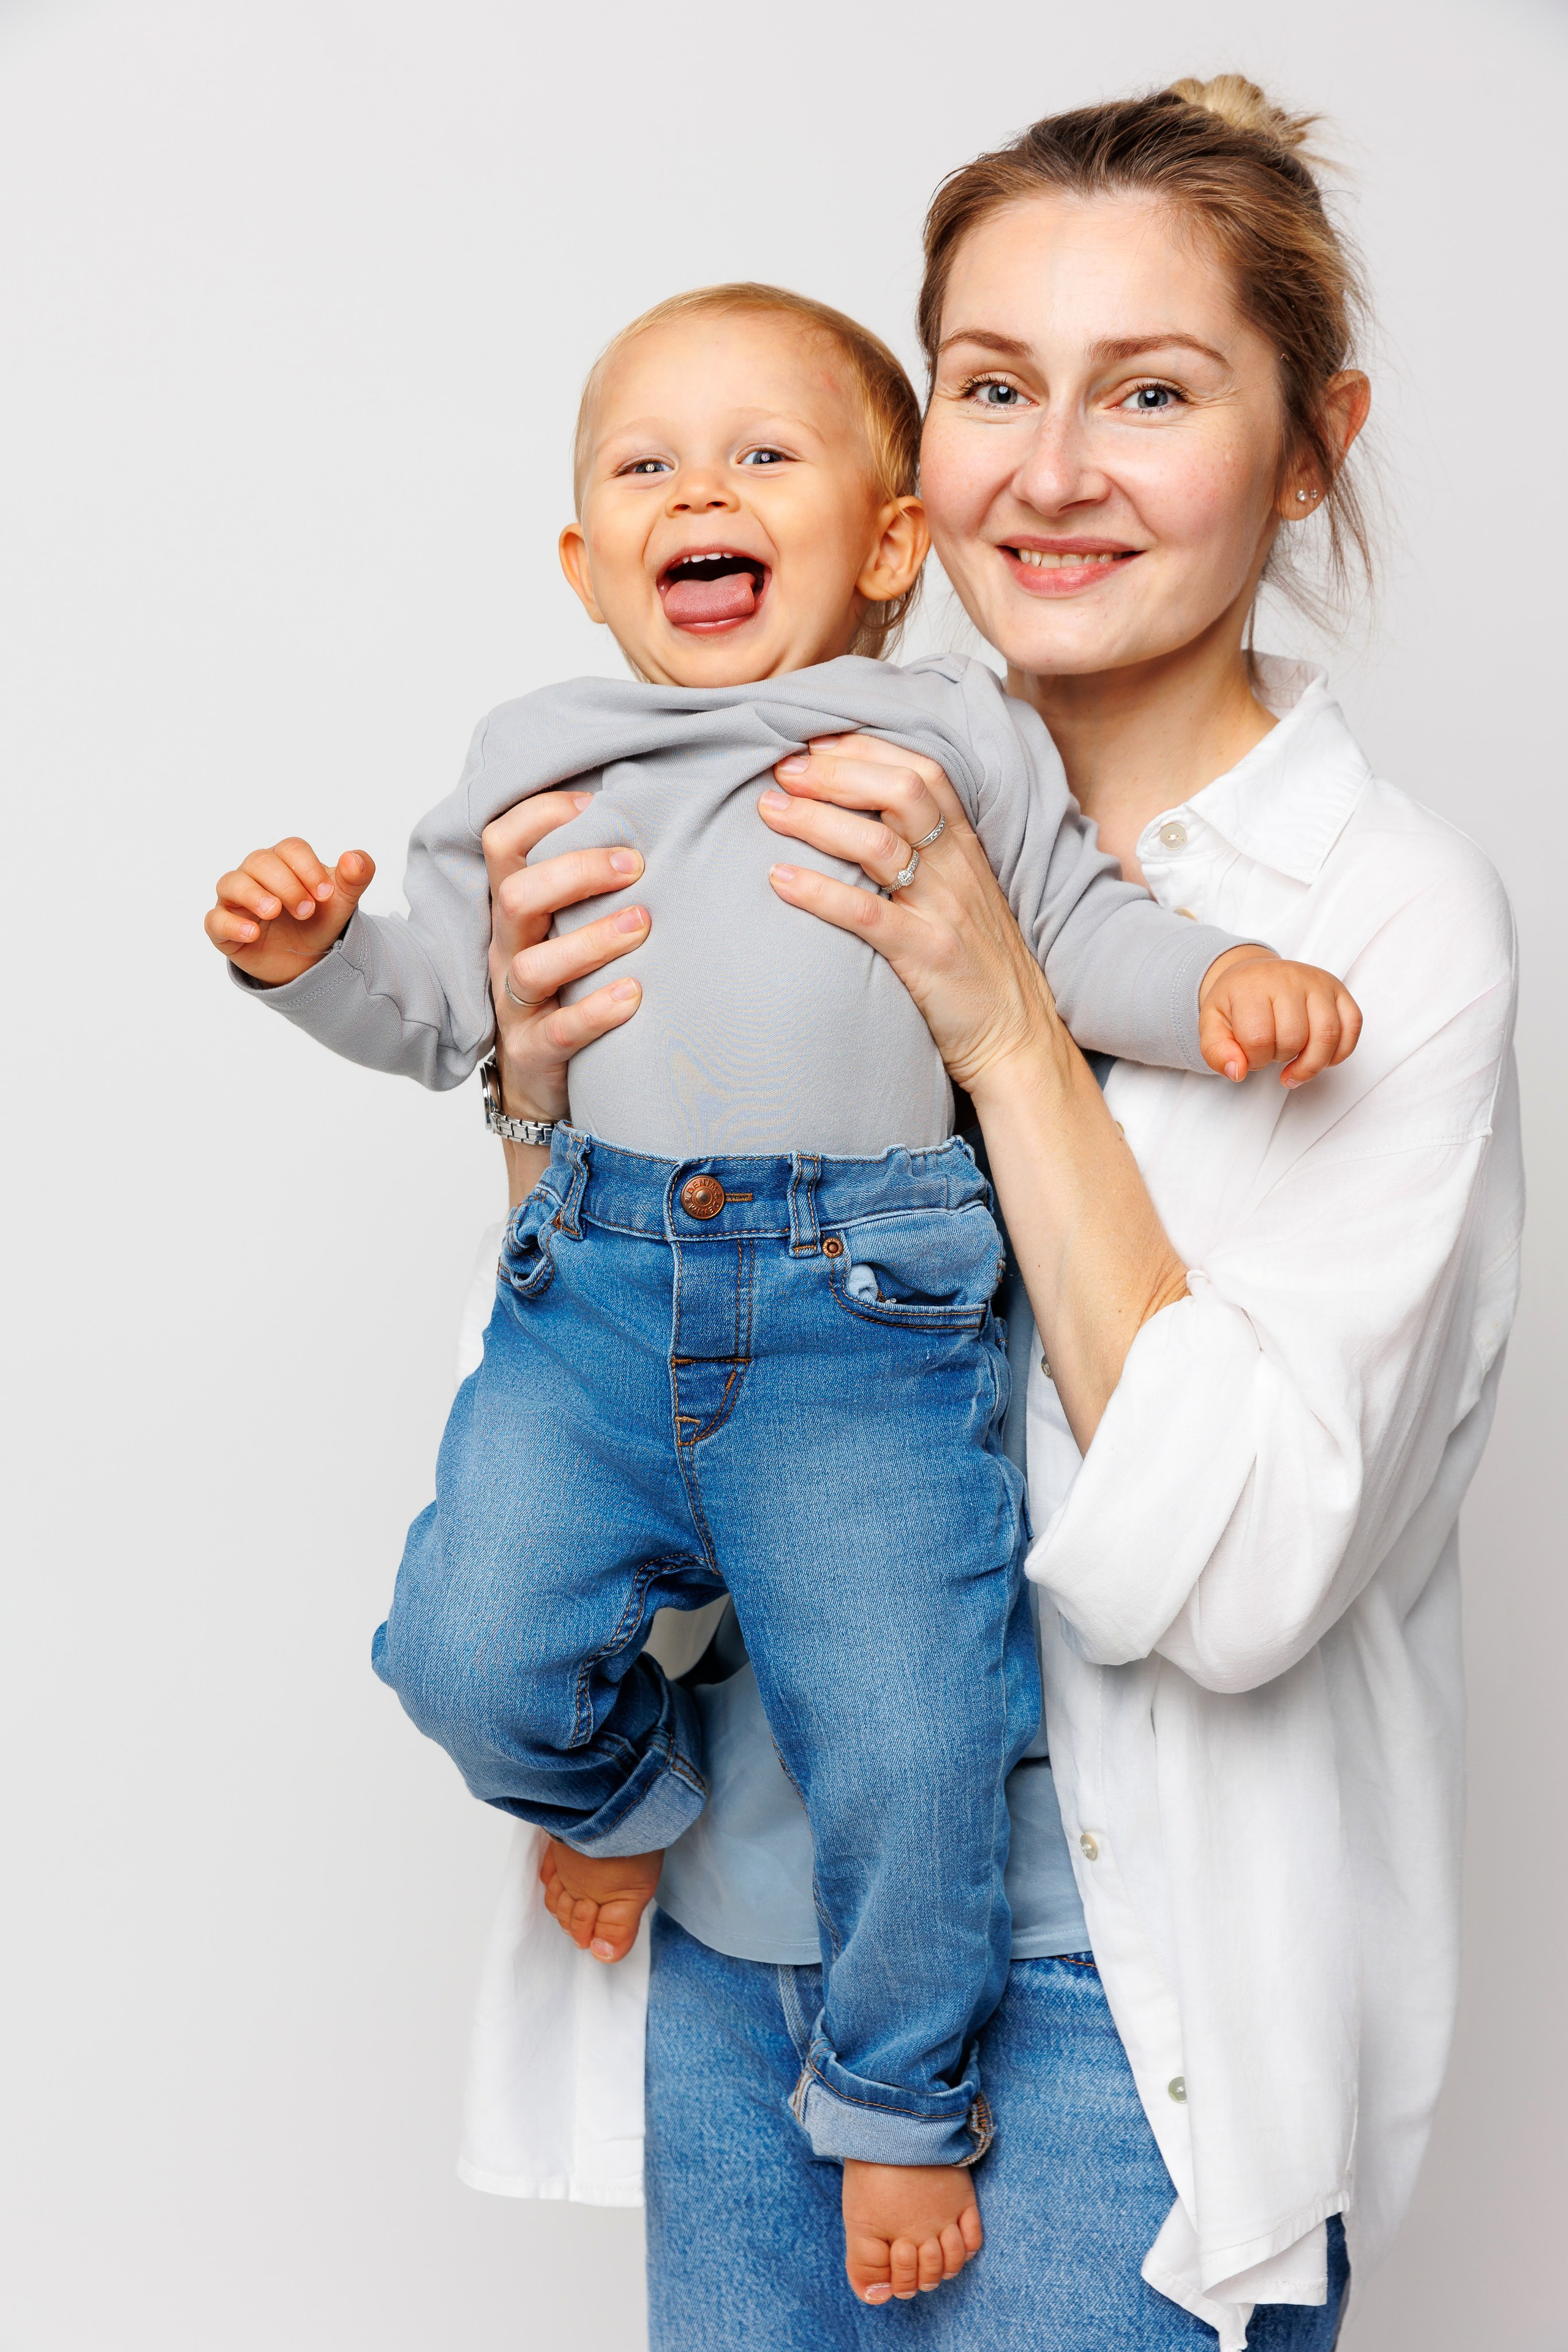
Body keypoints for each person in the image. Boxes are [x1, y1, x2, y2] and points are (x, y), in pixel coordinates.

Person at [454, 75, 1522, 2352]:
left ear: (1311, 448)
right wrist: (532, 1109)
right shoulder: (746, 791)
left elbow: (1241, 1585)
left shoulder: (1381, 924)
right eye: (994, 386)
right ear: (913, 465)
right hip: (740, 1949)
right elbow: (629, 1411)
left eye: (1154, 393)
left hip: (1109, 2017)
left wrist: (1010, 1017)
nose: (1052, 471)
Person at [202, 282, 1356, 2302]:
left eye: (761, 456)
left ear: (892, 543)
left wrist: (1221, 989)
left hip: (862, 1320)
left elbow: (1077, 941)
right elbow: (445, 1012)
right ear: (586, 560)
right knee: (467, 1645)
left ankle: (896, 2099)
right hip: (596, 1296)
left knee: (911, 1733)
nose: (700, 494)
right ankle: (621, 1789)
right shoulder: (538, 753)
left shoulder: (949, 736)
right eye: (646, 466)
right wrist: (313, 961)